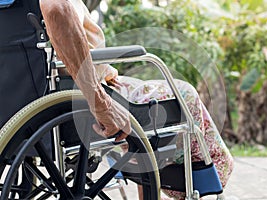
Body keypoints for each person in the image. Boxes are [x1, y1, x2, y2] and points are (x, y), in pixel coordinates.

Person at [0, 0, 233, 199]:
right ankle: (202, 177)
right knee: (181, 94)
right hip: (69, 94)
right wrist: (100, 104)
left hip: (13, 102)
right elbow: (57, 10)